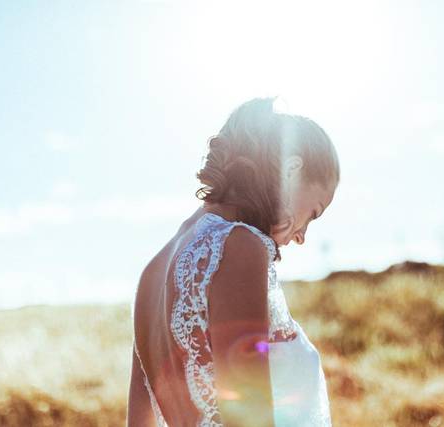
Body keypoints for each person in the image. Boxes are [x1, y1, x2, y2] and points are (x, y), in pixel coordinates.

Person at [127, 97, 340, 427]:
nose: (301, 236)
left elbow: (137, 423)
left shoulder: (151, 273)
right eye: (312, 214)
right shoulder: (238, 246)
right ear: (291, 170)